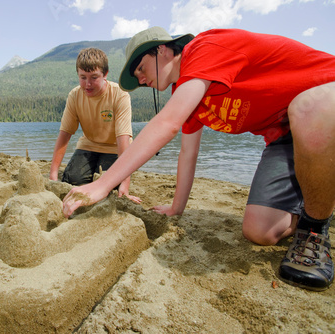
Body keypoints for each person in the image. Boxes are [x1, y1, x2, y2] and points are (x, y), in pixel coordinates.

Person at [62, 27, 335, 291]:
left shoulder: (204, 49)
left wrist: (101, 185)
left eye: (142, 69)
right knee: (260, 231)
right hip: (286, 137)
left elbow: (167, 123)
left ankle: (314, 228)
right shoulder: (189, 90)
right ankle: (320, 197)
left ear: (163, 50)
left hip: (324, 104)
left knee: (307, 107)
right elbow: (187, 152)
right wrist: (176, 208)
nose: (143, 80)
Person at [50, 47, 140, 203]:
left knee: (109, 184)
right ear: (78, 74)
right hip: (88, 145)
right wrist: (53, 175)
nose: (88, 84)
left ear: (105, 74)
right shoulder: (74, 95)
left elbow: (123, 140)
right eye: (83, 77)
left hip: (114, 148)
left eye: (94, 77)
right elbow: (64, 135)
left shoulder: (120, 94)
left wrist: (124, 186)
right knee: (72, 179)